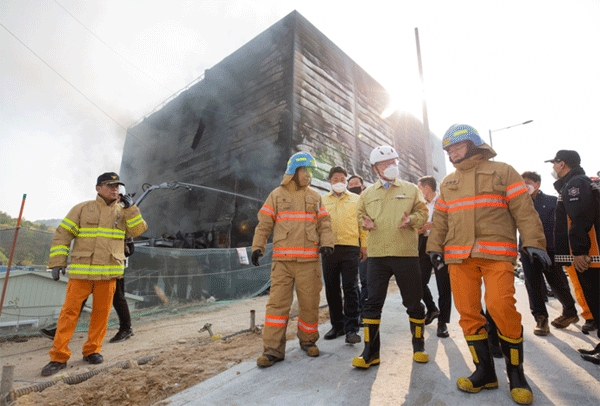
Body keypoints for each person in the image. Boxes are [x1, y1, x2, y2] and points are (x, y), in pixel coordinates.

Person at [427, 124, 549, 405]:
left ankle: (516, 374)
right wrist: (434, 248)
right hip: (459, 257)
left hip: (496, 254)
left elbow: (523, 210)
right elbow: (442, 220)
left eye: (456, 147)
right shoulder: (448, 183)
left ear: (472, 144)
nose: (451, 154)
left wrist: (533, 242)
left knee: (500, 306)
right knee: (468, 312)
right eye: (448, 150)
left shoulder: (503, 171)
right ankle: (484, 372)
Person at [41, 172, 148, 376]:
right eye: (110, 185)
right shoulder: (82, 209)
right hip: (81, 273)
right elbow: (63, 234)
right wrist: (57, 262)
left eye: (117, 186)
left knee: (101, 315)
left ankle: (92, 351)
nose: (115, 189)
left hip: (108, 275)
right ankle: (58, 357)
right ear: (98, 188)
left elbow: (138, 230)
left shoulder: (124, 212)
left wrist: (132, 208)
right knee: (68, 315)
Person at [251, 152, 334, 368]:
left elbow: (325, 224)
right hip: (283, 263)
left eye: (310, 171)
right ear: (293, 172)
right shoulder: (276, 195)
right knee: (277, 306)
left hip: (309, 262)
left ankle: (308, 342)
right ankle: (272, 350)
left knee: (309, 304)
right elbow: (264, 223)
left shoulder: (315, 197)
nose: (308, 175)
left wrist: (327, 243)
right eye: (305, 170)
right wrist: (257, 247)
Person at [352, 145, 429, 369]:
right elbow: (359, 214)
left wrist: (412, 220)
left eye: (394, 162)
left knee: (414, 302)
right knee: (372, 303)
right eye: (385, 164)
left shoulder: (411, 189)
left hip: (405, 253)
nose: (391, 166)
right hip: (377, 256)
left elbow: (423, 212)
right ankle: (370, 352)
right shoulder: (367, 194)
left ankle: (419, 346)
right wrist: (363, 222)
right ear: (375, 168)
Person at [40, 186, 137, 343]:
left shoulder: (123, 216)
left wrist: (131, 210)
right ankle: (60, 330)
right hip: (91, 267)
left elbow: (130, 248)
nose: (115, 197)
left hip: (113, 268)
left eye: (119, 195)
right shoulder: (92, 211)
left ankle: (126, 328)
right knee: (79, 300)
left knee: (118, 298)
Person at [546, 150, 600, 364]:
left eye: (555, 163)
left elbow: (579, 218)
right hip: (591, 255)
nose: (553, 167)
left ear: (562, 164)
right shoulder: (577, 182)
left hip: (590, 257)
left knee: (596, 300)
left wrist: (579, 252)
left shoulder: (575, 185)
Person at [518, 171, 579, 336]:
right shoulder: (519, 203)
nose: (524, 185)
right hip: (527, 250)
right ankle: (541, 319)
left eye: (528, 182)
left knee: (558, 283)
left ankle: (570, 312)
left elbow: (560, 227)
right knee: (533, 285)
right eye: (521, 182)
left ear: (537, 184)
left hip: (549, 250)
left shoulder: (552, 202)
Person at [321, 166, 368, 344]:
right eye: (335, 180)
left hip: (350, 248)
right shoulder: (322, 200)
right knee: (332, 288)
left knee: (350, 288)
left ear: (346, 181)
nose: (338, 182)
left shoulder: (356, 200)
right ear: (330, 182)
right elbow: (318, 224)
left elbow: (362, 224)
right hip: (329, 249)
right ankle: (337, 326)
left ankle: (351, 328)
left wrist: (363, 246)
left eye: (342, 179)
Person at [416, 176, 452, 338]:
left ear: (427, 188)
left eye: (420, 188)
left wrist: (434, 224)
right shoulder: (421, 205)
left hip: (440, 245)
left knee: (443, 283)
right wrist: (419, 229)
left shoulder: (444, 201)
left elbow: (453, 221)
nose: (419, 191)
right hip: (424, 245)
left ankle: (443, 323)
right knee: (419, 282)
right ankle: (432, 309)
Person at [348, 174, 368, 323]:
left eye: (356, 183)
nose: (353, 186)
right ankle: (356, 312)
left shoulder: (367, 200)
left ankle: (363, 312)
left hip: (366, 247)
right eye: (351, 184)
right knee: (353, 282)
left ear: (362, 186)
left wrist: (365, 246)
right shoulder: (347, 202)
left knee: (366, 280)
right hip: (351, 246)